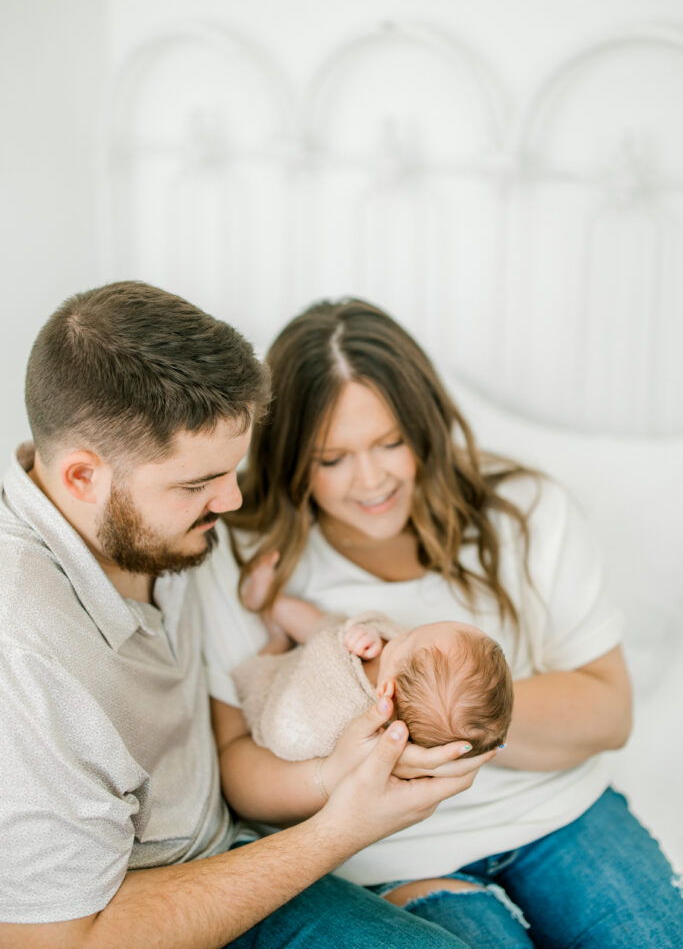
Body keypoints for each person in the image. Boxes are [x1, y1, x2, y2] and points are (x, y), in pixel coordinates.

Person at [0, 282, 496, 949]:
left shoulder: (148, 522)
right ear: (82, 478)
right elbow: (57, 942)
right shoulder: (23, 652)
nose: (232, 502)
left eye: (232, 469)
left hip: (231, 847)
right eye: (197, 484)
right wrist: (344, 826)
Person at [197, 297, 683, 949]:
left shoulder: (525, 513)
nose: (370, 481)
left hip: (559, 815)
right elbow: (235, 766)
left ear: (425, 427)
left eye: (390, 443)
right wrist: (336, 775)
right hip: (395, 854)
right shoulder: (242, 557)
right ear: (288, 457)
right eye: (331, 459)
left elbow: (609, 713)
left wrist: (454, 716)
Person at [232, 552, 512, 760]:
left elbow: (290, 735)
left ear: (386, 690)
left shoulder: (350, 717)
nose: (404, 631)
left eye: (409, 637)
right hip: (326, 654)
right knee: (323, 624)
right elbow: (370, 639)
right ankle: (268, 601)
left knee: (271, 666)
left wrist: (340, 643)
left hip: (282, 691)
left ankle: (276, 639)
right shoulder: (400, 674)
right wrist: (369, 636)